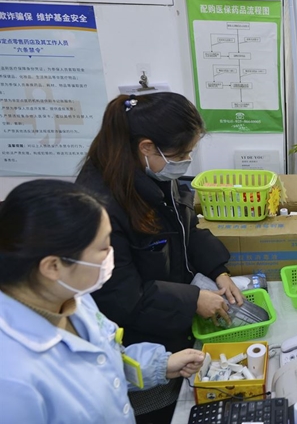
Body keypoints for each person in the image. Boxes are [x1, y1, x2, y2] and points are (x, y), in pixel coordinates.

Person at [76, 92, 245, 422]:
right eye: (181, 153)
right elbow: (120, 296)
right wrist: (193, 298)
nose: (185, 161)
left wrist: (218, 270)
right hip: (140, 345)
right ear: (146, 147)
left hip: (172, 325)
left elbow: (186, 226)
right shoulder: (101, 205)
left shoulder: (154, 173)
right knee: (162, 412)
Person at [0, 180, 206, 423]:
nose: (112, 255)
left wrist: (162, 364)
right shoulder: (11, 378)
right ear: (53, 266)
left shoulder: (73, 299)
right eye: (102, 248)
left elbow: (103, 359)